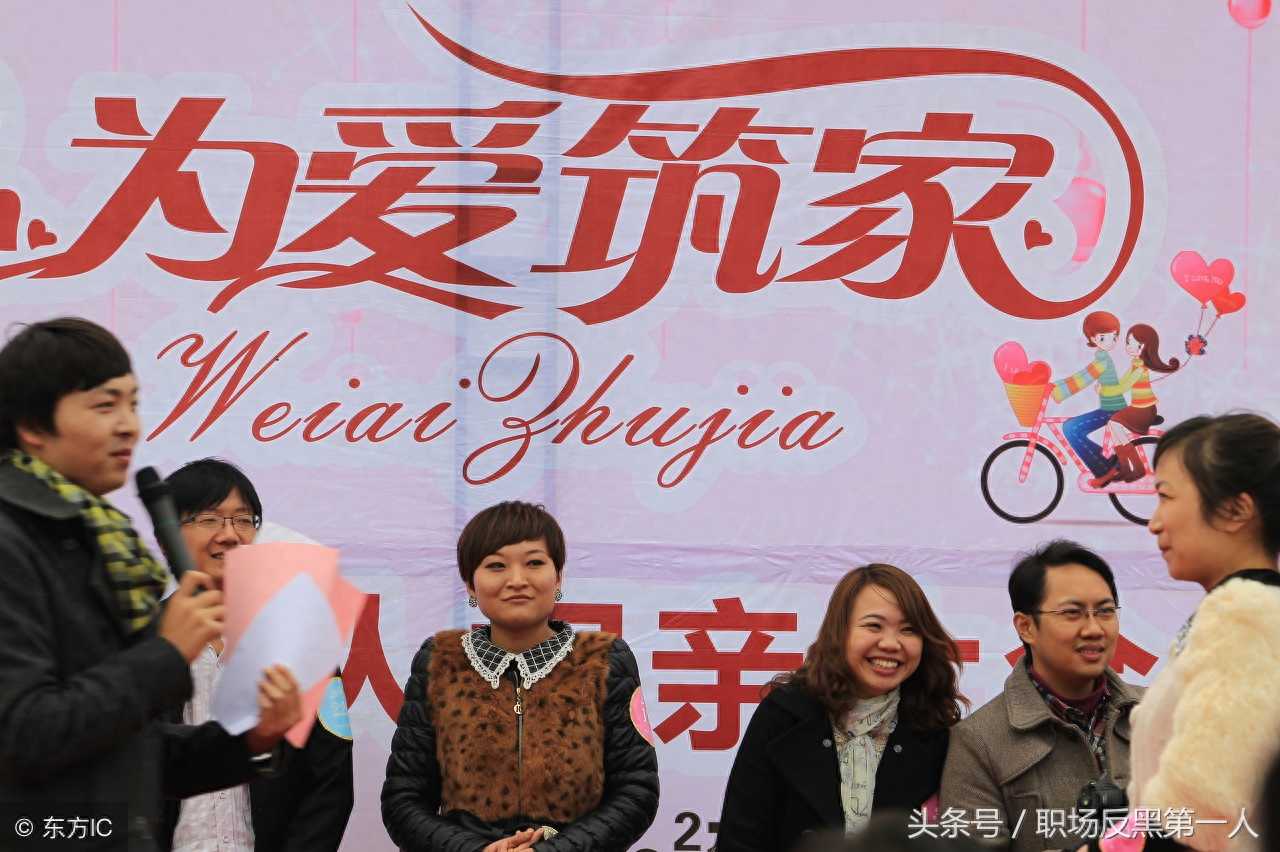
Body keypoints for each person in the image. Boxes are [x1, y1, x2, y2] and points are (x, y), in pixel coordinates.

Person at [0, 318, 301, 851]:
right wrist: (166, 655)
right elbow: (23, 734)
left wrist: (252, 739)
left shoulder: (100, 545)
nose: (128, 426)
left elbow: (128, 752)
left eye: (133, 404)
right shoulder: (12, 542)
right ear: (32, 426)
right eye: (105, 406)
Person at [381, 500, 659, 851]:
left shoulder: (603, 660)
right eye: (496, 566)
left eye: (534, 563)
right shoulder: (440, 660)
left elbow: (636, 791)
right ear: (470, 585)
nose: (517, 580)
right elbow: (403, 799)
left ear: (558, 577)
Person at [158, 458, 355, 852]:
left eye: (244, 520)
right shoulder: (134, 639)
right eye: (210, 519)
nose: (230, 535)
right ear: (168, 536)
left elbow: (330, 780)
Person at [718, 563, 967, 852]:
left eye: (909, 630)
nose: (891, 643)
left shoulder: (934, 727)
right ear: (841, 632)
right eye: (874, 626)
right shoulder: (784, 715)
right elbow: (740, 839)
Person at [1117, 413, 1280, 851]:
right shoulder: (1237, 612)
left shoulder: (1247, 616)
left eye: (1166, 496)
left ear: (1235, 510)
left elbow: (1199, 817)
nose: (1154, 523)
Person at [940, 540, 1143, 852]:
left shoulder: (1159, 713)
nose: (1094, 629)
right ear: (1026, 627)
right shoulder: (979, 741)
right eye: (1072, 613)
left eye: (1105, 611)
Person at [1051, 311, 1127, 487]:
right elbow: (1082, 374)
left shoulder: (1102, 361)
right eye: (1103, 337)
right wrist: (1055, 386)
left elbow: (1084, 380)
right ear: (1093, 339)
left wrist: (1060, 392)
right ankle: (1107, 464)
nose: (1111, 341)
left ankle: (1105, 468)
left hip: (1113, 409)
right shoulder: (1101, 358)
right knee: (1072, 427)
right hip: (1110, 408)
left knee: (1071, 428)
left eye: (1114, 336)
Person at [1106, 323, 1180, 482]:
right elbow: (1122, 382)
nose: (1129, 347)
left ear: (1146, 348)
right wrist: (1108, 388)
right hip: (1139, 407)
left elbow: (1124, 387)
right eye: (1128, 342)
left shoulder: (1140, 368)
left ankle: (1137, 468)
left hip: (1144, 410)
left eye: (1137, 344)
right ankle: (1125, 468)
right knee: (1113, 426)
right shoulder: (1136, 363)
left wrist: (1105, 391)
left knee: (1114, 424)